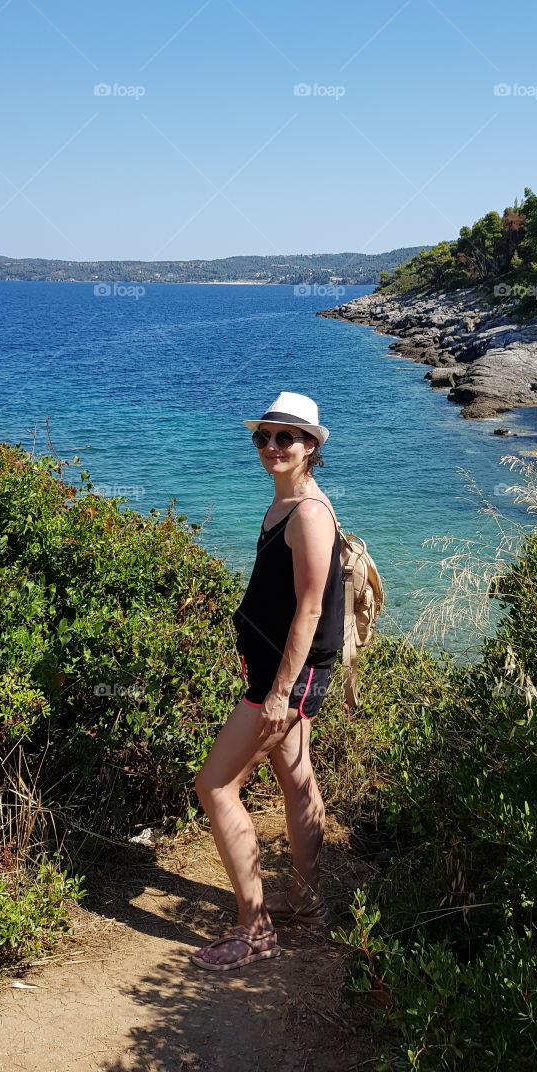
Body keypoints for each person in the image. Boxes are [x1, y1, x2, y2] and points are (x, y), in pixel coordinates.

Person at [191, 391, 344, 971]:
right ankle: (307, 900)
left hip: (288, 677)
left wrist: (279, 692)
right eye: (264, 437)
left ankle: (254, 931)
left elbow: (310, 609)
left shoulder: (308, 514)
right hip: (277, 669)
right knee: (296, 778)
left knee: (215, 787)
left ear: (310, 447)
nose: (272, 446)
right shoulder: (282, 505)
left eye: (286, 437)